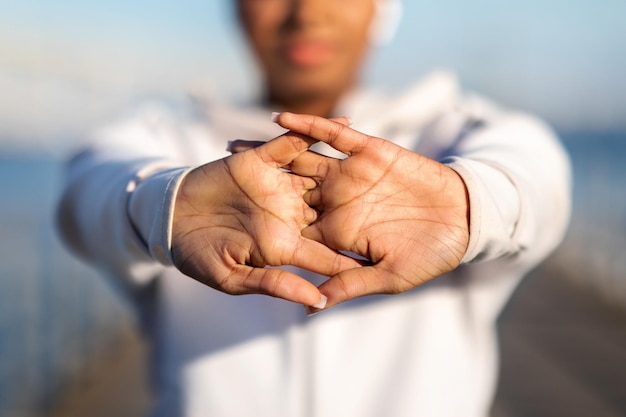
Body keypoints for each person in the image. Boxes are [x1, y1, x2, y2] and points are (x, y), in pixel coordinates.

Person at [56, 0, 571, 416]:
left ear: (380, 9)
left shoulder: (454, 134)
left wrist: (467, 202)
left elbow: (536, 175)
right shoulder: (171, 141)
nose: (307, 11)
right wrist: (166, 204)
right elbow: (89, 190)